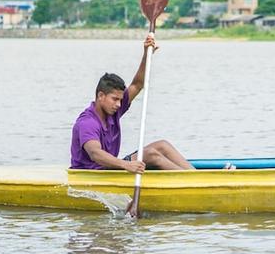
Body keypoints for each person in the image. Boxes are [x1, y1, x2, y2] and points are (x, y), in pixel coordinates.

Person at [70, 34, 196, 172]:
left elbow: (137, 84)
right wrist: (126, 165)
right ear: (101, 96)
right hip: (93, 173)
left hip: (110, 169)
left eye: (120, 99)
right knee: (151, 155)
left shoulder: (112, 111)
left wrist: (147, 55)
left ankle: (196, 177)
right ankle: (192, 181)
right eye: (115, 99)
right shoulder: (88, 122)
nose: (119, 104)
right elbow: (95, 154)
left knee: (162, 145)